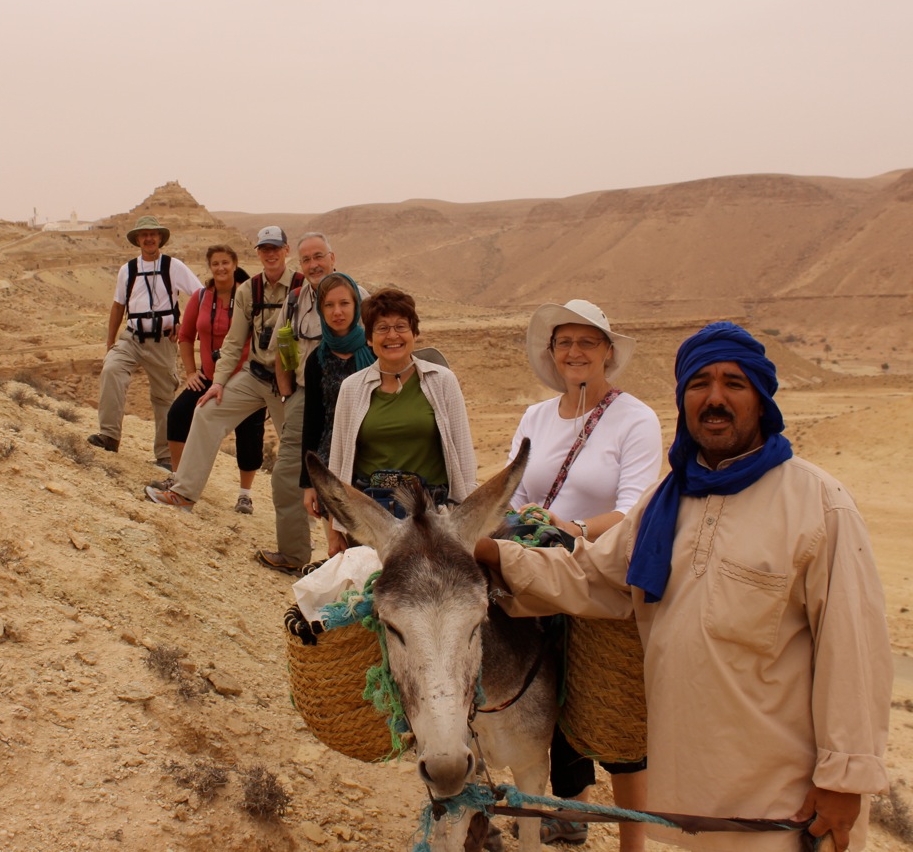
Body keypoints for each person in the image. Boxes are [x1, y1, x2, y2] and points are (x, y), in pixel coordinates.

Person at [475, 321, 892, 852]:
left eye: (733, 384)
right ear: (684, 400)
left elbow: (854, 655)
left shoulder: (819, 506)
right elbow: (591, 577)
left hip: (785, 807)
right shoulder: (667, 503)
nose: (715, 398)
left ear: (761, 399)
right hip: (692, 801)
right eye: (700, 385)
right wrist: (493, 554)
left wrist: (844, 781)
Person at [508, 300, 662, 850]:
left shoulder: (636, 418)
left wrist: (569, 527)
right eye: (564, 342)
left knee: (612, 710)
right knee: (531, 685)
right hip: (536, 565)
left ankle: (632, 842)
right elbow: (518, 491)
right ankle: (565, 808)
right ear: (552, 353)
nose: (575, 352)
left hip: (600, 576)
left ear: (607, 353)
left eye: (587, 342)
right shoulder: (535, 417)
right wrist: (530, 525)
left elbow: (634, 510)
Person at [144, 226, 314, 571]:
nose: (270, 254)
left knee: (301, 452)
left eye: (275, 248)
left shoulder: (304, 287)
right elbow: (236, 341)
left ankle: (311, 526)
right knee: (207, 412)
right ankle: (183, 493)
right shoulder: (249, 289)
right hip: (255, 375)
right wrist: (219, 383)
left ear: (286, 250)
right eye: (264, 249)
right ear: (257, 253)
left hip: (291, 384)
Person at [326, 288, 476, 557]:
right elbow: (338, 463)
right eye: (382, 328)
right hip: (371, 519)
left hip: (432, 518)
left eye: (400, 326)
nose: (392, 335)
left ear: (414, 334)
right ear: (369, 339)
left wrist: (468, 524)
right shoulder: (352, 388)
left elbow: (464, 457)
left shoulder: (442, 382)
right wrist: (334, 529)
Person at [151, 244, 266, 514]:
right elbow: (186, 335)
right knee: (178, 414)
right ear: (210, 267)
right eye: (216, 264)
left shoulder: (249, 295)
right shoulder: (201, 297)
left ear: (235, 264)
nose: (221, 268)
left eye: (226, 262)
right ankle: (178, 479)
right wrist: (192, 373)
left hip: (245, 379)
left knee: (250, 436)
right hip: (209, 376)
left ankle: (245, 495)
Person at [89, 216, 201, 467]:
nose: (149, 238)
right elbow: (118, 305)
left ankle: (164, 457)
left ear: (160, 238)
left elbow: (201, 296)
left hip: (163, 341)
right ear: (137, 240)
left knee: (163, 397)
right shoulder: (127, 269)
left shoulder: (174, 266)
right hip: (131, 337)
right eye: (144, 235)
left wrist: (184, 327)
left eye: (153, 234)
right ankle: (109, 436)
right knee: (111, 369)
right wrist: (109, 345)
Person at [297, 272, 375, 523]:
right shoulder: (316, 361)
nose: (337, 312)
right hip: (333, 463)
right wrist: (309, 483)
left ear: (356, 306)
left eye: (344, 303)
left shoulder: (376, 352)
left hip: (373, 459)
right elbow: (312, 423)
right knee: (339, 545)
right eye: (328, 305)